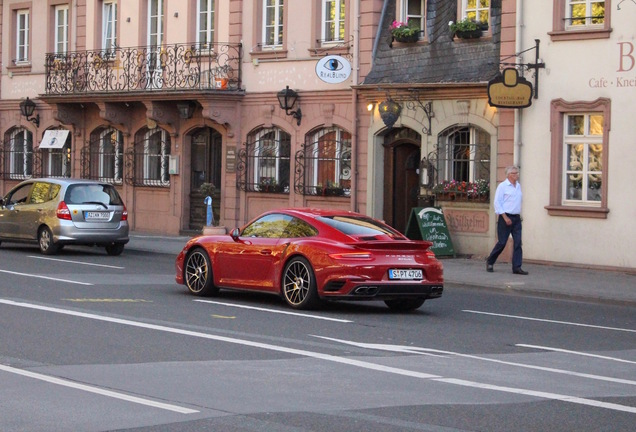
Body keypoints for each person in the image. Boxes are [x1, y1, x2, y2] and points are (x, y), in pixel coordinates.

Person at [486, 166, 528, 275]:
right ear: (509, 175)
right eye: (514, 173)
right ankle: (490, 261)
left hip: (516, 218)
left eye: (517, 173)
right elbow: (497, 203)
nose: (516, 175)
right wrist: (505, 217)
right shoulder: (503, 186)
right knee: (502, 242)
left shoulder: (518, 186)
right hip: (505, 217)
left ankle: (517, 267)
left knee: (518, 242)